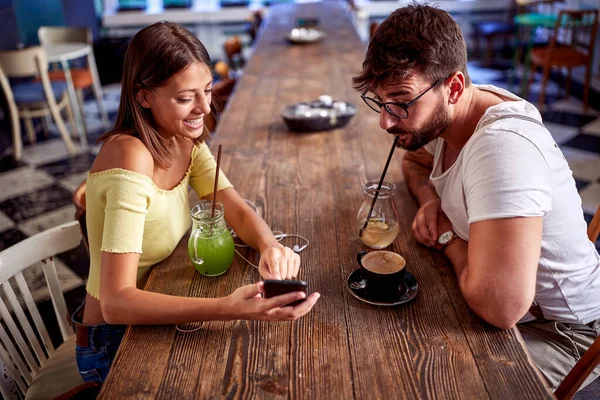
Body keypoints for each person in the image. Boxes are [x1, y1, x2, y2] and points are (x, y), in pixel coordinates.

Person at [353, 4, 600, 392]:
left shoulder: (501, 149)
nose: (386, 120)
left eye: (400, 100)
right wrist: (431, 200)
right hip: (514, 311)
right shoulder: (454, 117)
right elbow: (414, 163)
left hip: (562, 332)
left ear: (452, 87)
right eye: (380, 101)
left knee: (416, 379)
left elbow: (499, 306)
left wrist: (449, 235)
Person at [73, 21, 320, 383]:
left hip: (158, 311)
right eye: (186, 98)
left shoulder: (181, 138)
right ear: (143, 96)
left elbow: (234, 206)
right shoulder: (130, 156)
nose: (205, 107)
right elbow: (115, 302)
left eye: (206, 90)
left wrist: (271, 246)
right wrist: (227, 308)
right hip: (113, 341)